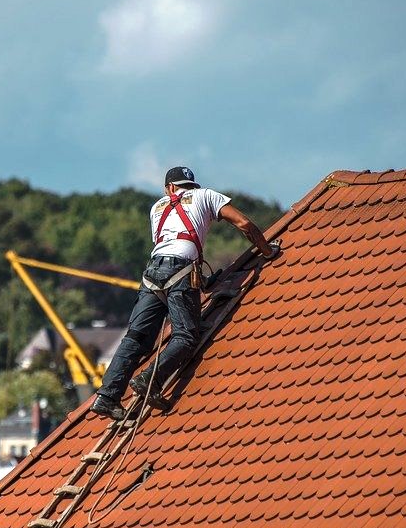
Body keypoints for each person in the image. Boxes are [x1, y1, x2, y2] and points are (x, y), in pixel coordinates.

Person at [89, 166, 279, 420]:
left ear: (169, 188)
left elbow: (169, 241)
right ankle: (150, 380)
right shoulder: (206, 196)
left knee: (136, 338)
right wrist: (267, 251)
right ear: (190, 185)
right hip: (180, 270)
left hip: (152, 273)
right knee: (186, 336)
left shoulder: (156, 208)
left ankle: (107, 396)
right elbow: (244, 223)